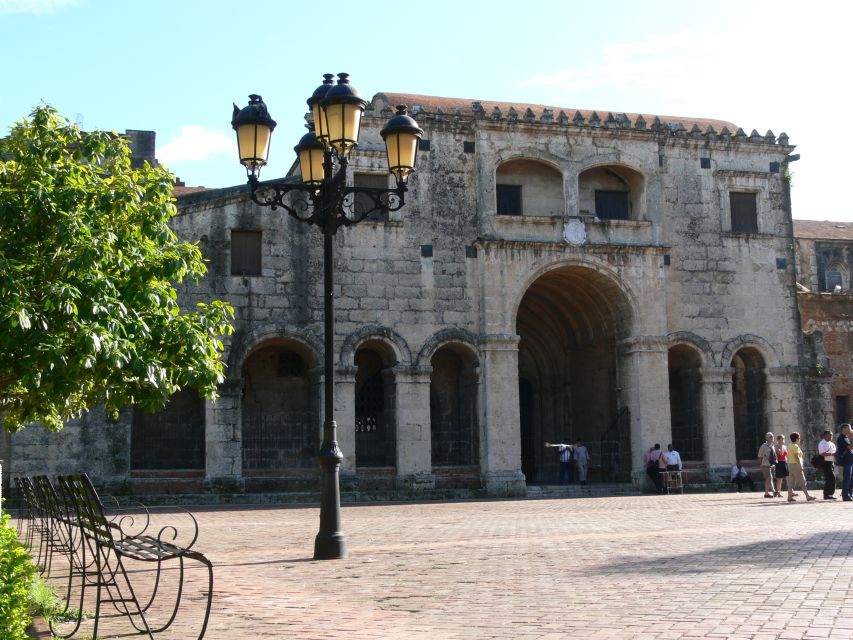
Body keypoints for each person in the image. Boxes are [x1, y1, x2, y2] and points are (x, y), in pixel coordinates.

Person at [787, 432, 817, 501]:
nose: (799, 439)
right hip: (795, 464)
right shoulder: (795, 446)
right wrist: (800, 466)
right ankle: (807, 496)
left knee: (791, 481)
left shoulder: (789, 445)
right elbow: (796, 457)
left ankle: (789, 497)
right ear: (797, 439)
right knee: (802, 481)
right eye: (799, 438)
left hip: (790, 464)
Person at [757, 432, 779, 498]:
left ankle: (773, 491)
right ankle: (766, 493)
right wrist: (760, 464)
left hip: (771, 465)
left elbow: (774, 455)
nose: (772, 438)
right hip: (765, 465)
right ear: (767, 438)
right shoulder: (763, 446)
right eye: (770, 437)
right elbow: (759, 456)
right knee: (769, 478)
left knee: (770, 479)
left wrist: (775, 463)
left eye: (772, 436)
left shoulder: (773, 446)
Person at [818, 429, 837, 500]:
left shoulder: (832, 444)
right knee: (831, 478)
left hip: (831, 462)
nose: (831, 436)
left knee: (831, 478)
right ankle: (827, 494)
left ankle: (830, 494)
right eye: (830, 435)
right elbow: (822, 453)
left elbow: (835, 452)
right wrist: (832, 454)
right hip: (825, 463)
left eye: (831, 435)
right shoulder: (822, 443)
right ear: (825, 435)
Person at [836, 424, 853, 501]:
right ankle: (845, 495)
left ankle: (849, 493)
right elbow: (849, 447)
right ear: (844, 429)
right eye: (849, 428)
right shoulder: (841, 438)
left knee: (850, 478)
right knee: (847, 478)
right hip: (846, 461)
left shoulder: (846, 437)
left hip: (849, 460)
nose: (850, 429)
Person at [774, 434, 793, 501]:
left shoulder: (785, 446)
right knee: (779, 479)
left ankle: (791, 492)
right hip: (779, 463)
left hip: (784, 462)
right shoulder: (776, 446)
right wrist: (781, 446)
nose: (783, 440)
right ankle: (778, 492)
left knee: (788, 477)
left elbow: (786, 455)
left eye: (783, 439)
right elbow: (780, 453)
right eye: (782, 439)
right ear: (778, 440)